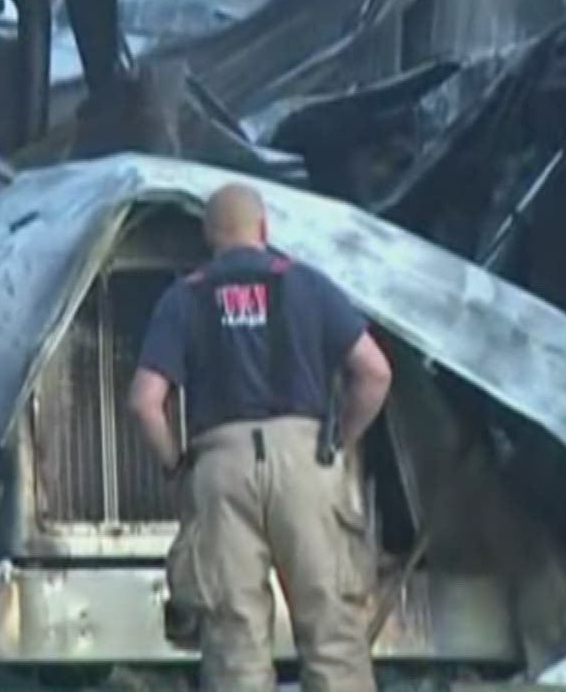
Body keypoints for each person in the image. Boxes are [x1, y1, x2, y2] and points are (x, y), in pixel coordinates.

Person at [128, 182, 392, 692]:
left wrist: (176, 467)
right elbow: (374, 372)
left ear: (209, 237)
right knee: (333, 635)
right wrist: (339, 440)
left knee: (234, 642)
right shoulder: (308, 285)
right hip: (305, 458)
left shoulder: (184, 298)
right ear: (264, 230)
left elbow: (144, 401)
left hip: (220, 465)